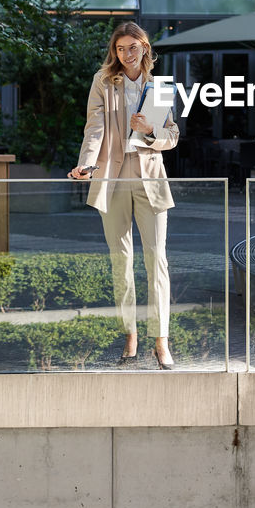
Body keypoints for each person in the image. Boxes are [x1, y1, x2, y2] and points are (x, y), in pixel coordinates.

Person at [69, 22, 179, 370]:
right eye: (120, 48)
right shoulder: (104, 81)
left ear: (145, 48)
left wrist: (150, 131)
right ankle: (130, 334)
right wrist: (85, 165)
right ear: (114, 51)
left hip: (150, 178)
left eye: (133, 47)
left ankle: (161, 340)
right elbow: (94, 128)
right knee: (121, 261)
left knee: (156, 260)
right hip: (112, 177)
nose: (127, 54)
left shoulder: (159, 87)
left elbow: (172, 136)